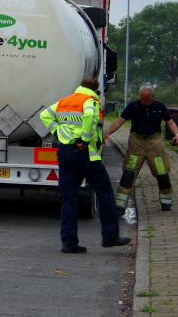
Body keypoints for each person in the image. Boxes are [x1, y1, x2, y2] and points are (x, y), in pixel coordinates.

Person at [40, 78, 131, 253]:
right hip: (83, 152)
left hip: (64, 152)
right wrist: (85, 139)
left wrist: (58, 131)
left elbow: (44, 115)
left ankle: (69, 242)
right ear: (96, 90)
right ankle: (110, 236)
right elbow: (89, 116)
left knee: (69, 198)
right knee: (104, 191)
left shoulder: (64, 101)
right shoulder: (90, 101)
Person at [103, 86, 178, 215]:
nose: (143, 101)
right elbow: (119, 121)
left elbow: (170, 123)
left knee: (162, 173)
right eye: (142, 99)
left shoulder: (159, 107)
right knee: (129, 174)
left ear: (153, 97)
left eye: (146, 99)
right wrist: (108, 132)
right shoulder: (133, 107)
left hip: (155, 144)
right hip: (136, 144)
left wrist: (177, 135)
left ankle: (166, 202)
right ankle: (120, 207)